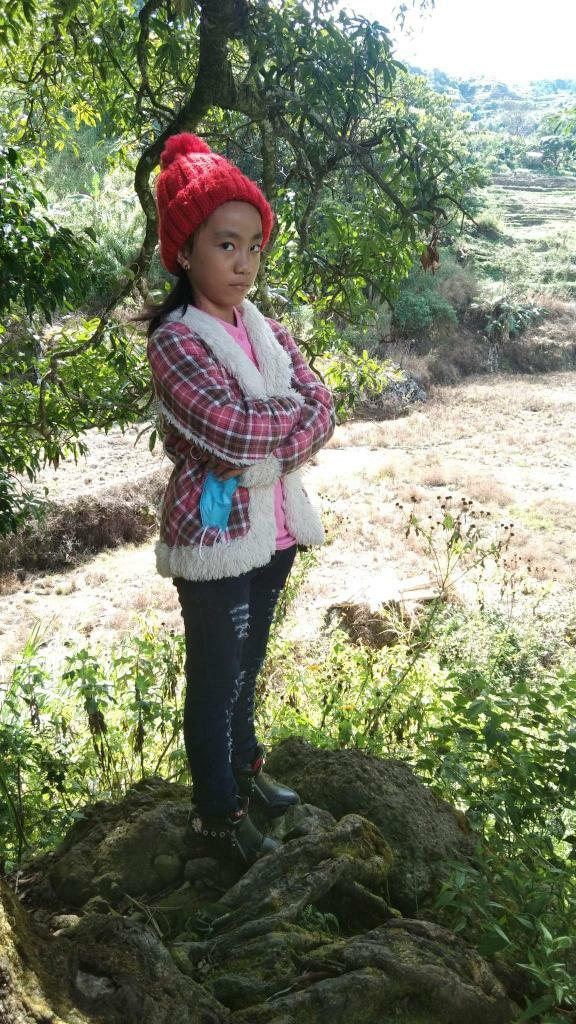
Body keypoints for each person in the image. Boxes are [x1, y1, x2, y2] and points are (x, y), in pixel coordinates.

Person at [142, 132, 335, 865]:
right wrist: (285, 429)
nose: (244, 262)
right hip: (214, 537)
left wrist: (271, 435)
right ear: (184, 251)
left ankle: (245, 772)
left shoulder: (266, 330)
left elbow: (324, 405)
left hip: (273, 530)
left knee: (248, 665)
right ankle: (216, 816)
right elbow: (228, 431)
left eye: (254, 246)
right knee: (217, 675)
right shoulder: (177, 339)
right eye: (226, 245)